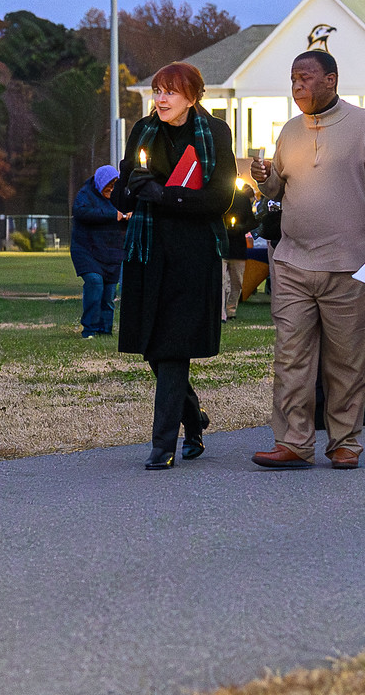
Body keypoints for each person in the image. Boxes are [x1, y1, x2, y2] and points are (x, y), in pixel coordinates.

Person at [250, 50, 365, 470]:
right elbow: (277, 191)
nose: (297, 86)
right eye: (293, 79)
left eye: (305, 78)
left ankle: (344, 442)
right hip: (294, 262)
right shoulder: (289, 131)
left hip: (352, 265)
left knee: (348, 360)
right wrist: (264, 179)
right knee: (291, 358)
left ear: (331, 81)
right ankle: (294, 442)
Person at [114, 62, 236, 470]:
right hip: (147, 252)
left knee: (173, 346)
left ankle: (162, 444)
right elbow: (123, 203)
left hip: (193, 254)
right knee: (153, 346)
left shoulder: (215, 133)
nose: (161, 99)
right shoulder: (142, 132)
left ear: (193, 96)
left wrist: (165, 196)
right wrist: (129, 185)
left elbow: (220, 199)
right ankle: (192, 417)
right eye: (157, 91)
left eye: (170, 92)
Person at [70, 165, 128, 338]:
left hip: (112, 251)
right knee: (95, 283)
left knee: (109, 293)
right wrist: (113, 214)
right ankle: (89, 329)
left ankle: (105, 330)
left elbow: (124, 213)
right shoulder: (85, 195)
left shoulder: (119, 196)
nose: (110, 189)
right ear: (100, 183)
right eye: (108, 185)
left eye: (114, 185)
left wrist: (129, 215)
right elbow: (81, 213)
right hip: (86, 249)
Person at [224, 178, 261, 321]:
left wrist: (239, 229)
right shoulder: (221, 197)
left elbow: (251, 221)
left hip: (237, 245)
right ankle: (222, 312)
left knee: (236, 281)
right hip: (222, 245)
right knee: (223, 281)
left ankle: (231, 309)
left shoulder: (242, 200)